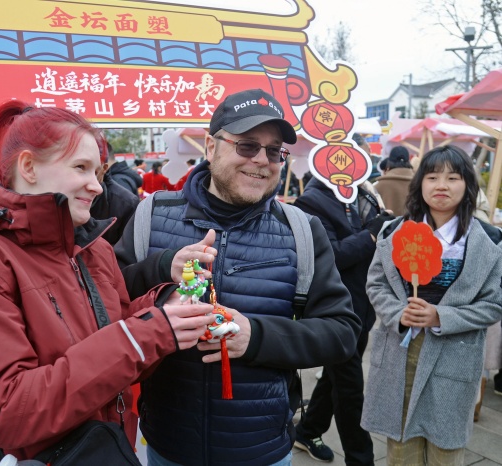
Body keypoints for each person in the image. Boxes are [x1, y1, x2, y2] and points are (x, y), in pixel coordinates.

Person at [0, 102, 215, 465]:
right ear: (28, 167)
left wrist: (165, 308)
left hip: (105, 450)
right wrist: (146, 333)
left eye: (98, 171)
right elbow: (6, 413)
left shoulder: (92, 249)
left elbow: (119, 341)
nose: (96, 186)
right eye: (80, 167)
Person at [115, 88, 361, 466]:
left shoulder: (301, 230)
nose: (262, 160)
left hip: (262, 448)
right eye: (247, 146)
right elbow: (107, 301)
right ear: (211, 147)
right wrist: (162, 267)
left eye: (274, 151)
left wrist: (257, 337)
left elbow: (342, 333)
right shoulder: (151, 214)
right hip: (168, 444)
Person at [362, 145, 502, 465]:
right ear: (420, 183)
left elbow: (494, 303)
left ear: (467, 184)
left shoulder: (490, 241)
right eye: (433, 176)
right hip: (402, 350)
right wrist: (399, 313)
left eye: (453, 178)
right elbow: (376, 285)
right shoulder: (393, 232)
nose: (442, 185)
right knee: (401, 449)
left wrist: (441, 316)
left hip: (455, 352)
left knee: (445, 451)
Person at [292, 177, 395, 464]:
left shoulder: (364, 194)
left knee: (335, 375)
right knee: (350, 387)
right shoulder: (311, 201)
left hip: (363, 305)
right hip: (334, 311)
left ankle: (308, 429)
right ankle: (360, 458)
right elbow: (333, 255)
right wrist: (372, 233)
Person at [89, 142, 140, 245]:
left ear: (104, 168)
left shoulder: (124, 201)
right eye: (79, 167)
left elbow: (128, 249)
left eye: (94, 171)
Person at [374, 146, 415, 216]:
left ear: (389, 163)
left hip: (387, 223)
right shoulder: (420, 183)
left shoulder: (378, 186)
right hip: (416, 223)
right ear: (408, 161)